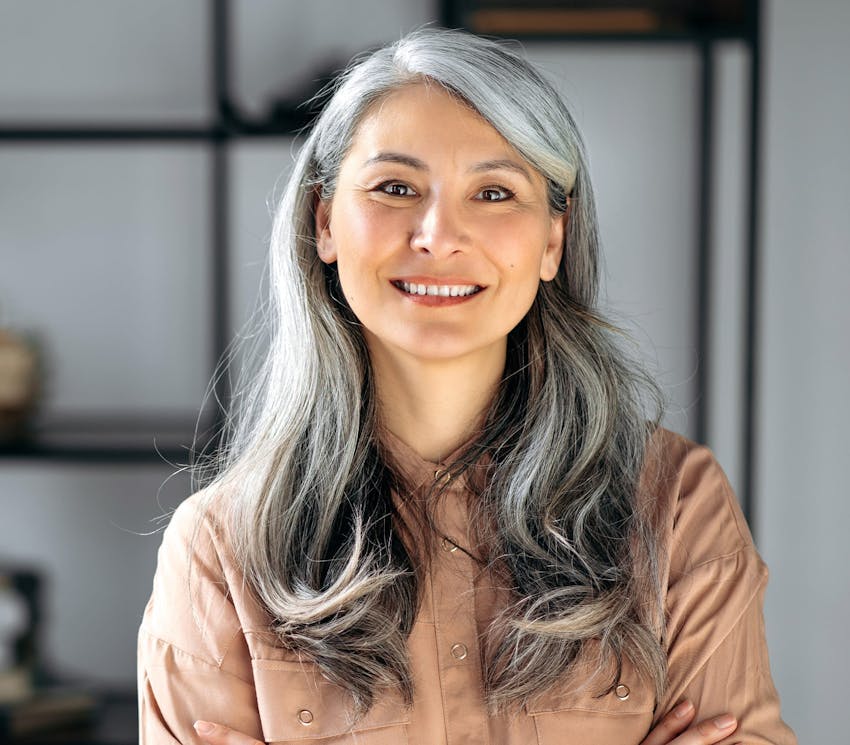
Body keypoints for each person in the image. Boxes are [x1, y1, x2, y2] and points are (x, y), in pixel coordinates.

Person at [138, 27, 796, 745]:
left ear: (553, 239)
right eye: (395, 187)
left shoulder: (675, 507)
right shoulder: (219, 551)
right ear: (323, 220)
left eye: (493, 191)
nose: (439, 234)